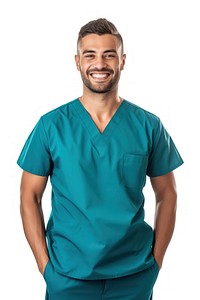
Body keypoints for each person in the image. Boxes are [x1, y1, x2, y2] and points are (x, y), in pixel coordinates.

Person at [17, 18, 184, 300]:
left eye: (109, 54)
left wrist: (156, 262)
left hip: (133, 276)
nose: (100, 64)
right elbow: (28, 196)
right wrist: (45, 268)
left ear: (122, 61)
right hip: (68, 277)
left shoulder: (148, 126)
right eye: (90, 55)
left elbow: (167, 194)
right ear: (77, 61)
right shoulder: (51, 126)